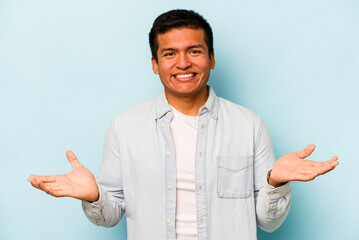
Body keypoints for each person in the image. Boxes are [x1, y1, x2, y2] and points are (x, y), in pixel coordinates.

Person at [28, 9, 339, 240]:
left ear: (211, 58)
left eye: (194, 51)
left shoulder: (250, 126)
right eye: (169, 53)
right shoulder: (125, 125)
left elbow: (268, 223)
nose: (183, 63)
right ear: (155, 64)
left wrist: (275, 182)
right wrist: (94, 195)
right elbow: (109, 217)